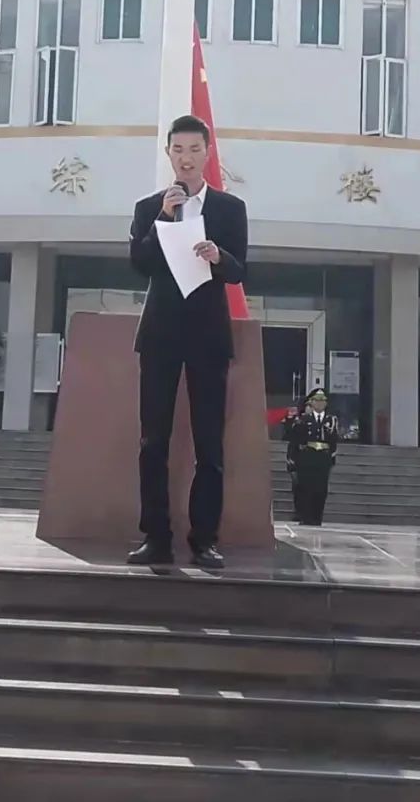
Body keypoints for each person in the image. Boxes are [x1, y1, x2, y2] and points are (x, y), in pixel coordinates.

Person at [126, 114, 248, 569]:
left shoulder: (229, 209)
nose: (187, 158)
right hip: (160, 334)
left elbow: (239, 269)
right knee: (152, 442)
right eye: (178, 150)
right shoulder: (149, 207)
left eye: (195, 149)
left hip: (208, 336)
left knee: (209, 444)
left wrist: (219, 256)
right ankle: (155, 537)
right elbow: (139, 263)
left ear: (207, 152)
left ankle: (205, 540)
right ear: (169, 154)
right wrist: (164, 216)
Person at [284, 388, 338, 526]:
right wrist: (293, 459)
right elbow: (295, 439)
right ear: (311, 403)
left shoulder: (331, 420)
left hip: (323, 457)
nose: (319, 403)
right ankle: (306, 517)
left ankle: (317, 517)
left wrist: (331, 457)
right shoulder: (303, 419)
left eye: (322, 401)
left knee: (321, 489)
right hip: (307, 456)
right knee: (306, 488)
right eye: (316, 400)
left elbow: (333, 441)